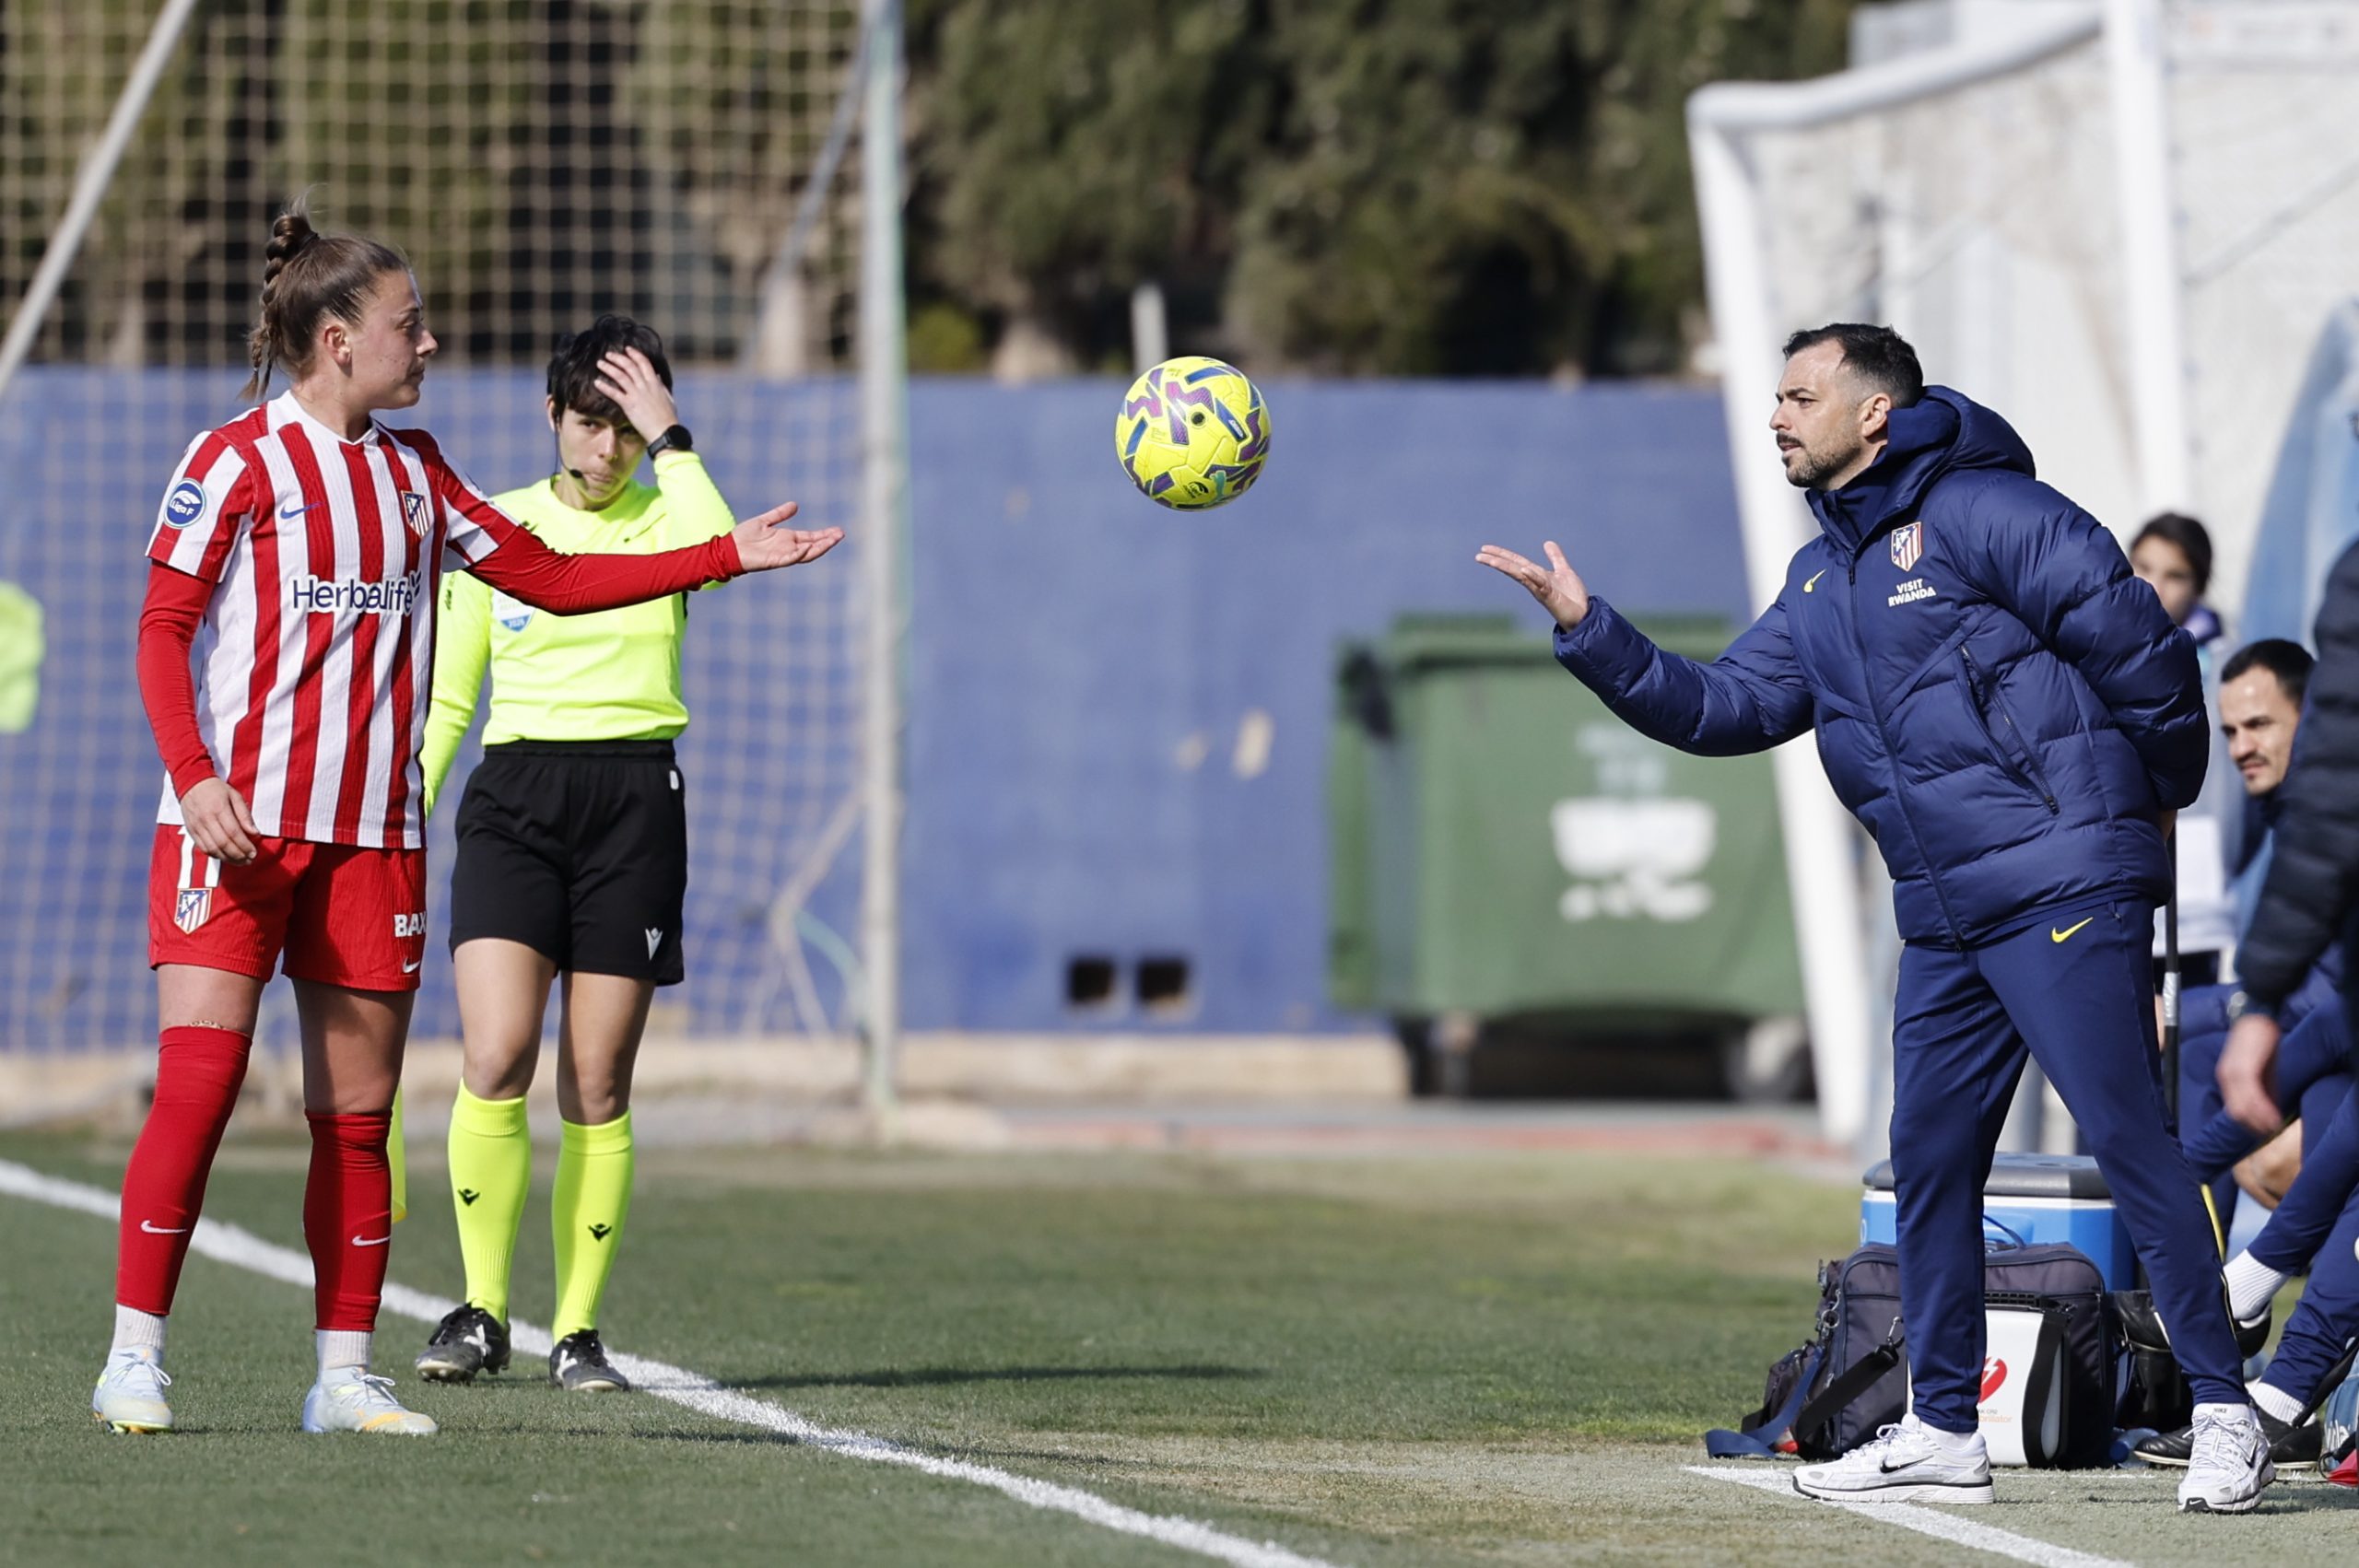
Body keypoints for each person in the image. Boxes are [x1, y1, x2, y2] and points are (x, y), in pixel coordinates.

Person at [1479, 322, 2267, 1512]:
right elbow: (1725, 705)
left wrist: (2135, 816)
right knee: (1929, 1167)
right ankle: (1945, 1425)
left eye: (1802, 395)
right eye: (1778, 397)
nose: (1781, 415)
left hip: (2060, 882)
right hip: (1946, 915)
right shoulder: (1820, 578)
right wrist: (1593, 630)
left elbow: (2147, 654)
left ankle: (2224, 1410)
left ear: (1875, 414)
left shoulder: (1993, 512)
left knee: (2128, 1138)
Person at [95, 203, 840, 1438]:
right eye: (410, 323)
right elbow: (162, 630)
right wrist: (196, 772)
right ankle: (135, 1355)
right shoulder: (231, 460)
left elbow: (550, 575)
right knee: (202, 1087)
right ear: (338, 340)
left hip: (373, 837)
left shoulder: (419, 471)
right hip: (232, 829)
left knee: (359, 1119)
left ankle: (344, 1376)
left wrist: (719, 558)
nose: (430, 342)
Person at [409, 317, 730, 1394]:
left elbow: (723, 546)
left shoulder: (672, 520)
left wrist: (670, 434)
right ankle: (480, 1307)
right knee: (496, 1052)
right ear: (552, 416)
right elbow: (454, 696)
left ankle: (578, 1330)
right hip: (515, 797)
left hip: (635, 798)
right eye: (589, 423)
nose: (605, 451)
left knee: (596, 1076)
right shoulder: (496, 529)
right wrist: (407, 804)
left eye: (626, 431)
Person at [2172, 640, 2343, 1219]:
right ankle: (2204, 1284)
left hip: (2341, 1055)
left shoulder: (2330, 821)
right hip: (2332, 1044)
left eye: (2260, 725)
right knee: (2195, 1061)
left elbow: (2325, 998)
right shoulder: (2286, 814)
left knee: (2239, 1094)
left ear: (2312, 715)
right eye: (2231, 731)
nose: (2242, 747)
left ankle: (2201, 1281)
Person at [2131, 512, 2224, 656]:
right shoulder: (2090, 637)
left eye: (2174, 577)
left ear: (2199, 588)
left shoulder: (2219, 668)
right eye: (2144, 568)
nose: (2154, 588)